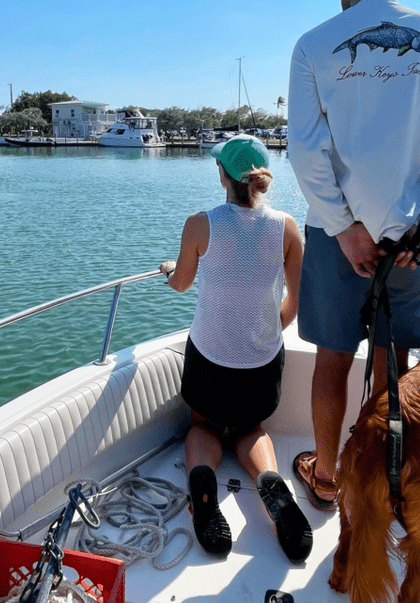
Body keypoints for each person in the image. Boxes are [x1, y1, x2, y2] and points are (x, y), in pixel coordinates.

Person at [287, 0, 420, 511]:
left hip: (330, 231)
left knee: (332, 360)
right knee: (397, 364)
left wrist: (342, 227)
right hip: (410, 238)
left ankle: (328, 477)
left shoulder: (314, 44)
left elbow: (304, 149)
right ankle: (389, 482)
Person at [159, 134, 312, 563]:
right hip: (261, 362)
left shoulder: (200, 223)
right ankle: (270, 482)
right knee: (250, 430)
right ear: (262, 178)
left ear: (222, 175)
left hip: (209, 357)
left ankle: (203, 486)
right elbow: (294, 306)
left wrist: (169, 269)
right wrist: (262, 332)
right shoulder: (286, 227)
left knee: (203, 428)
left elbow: (181, 283)